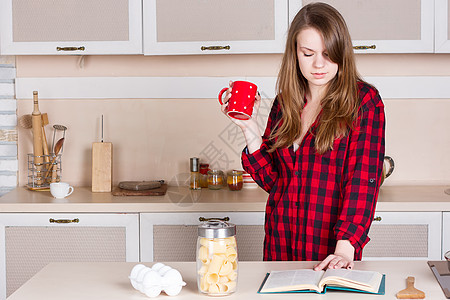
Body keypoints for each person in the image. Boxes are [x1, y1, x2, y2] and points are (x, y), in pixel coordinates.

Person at [221, 2, 385, 271]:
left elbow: (362, 181)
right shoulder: (285, 102)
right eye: (308, 53)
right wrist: (248, 128)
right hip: (279, 246)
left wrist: (345, 249)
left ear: (342, 53)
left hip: (329, 254)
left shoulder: (364, 102)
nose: (319, 64)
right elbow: (275, 182)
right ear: (295, 54)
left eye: (328, 53)